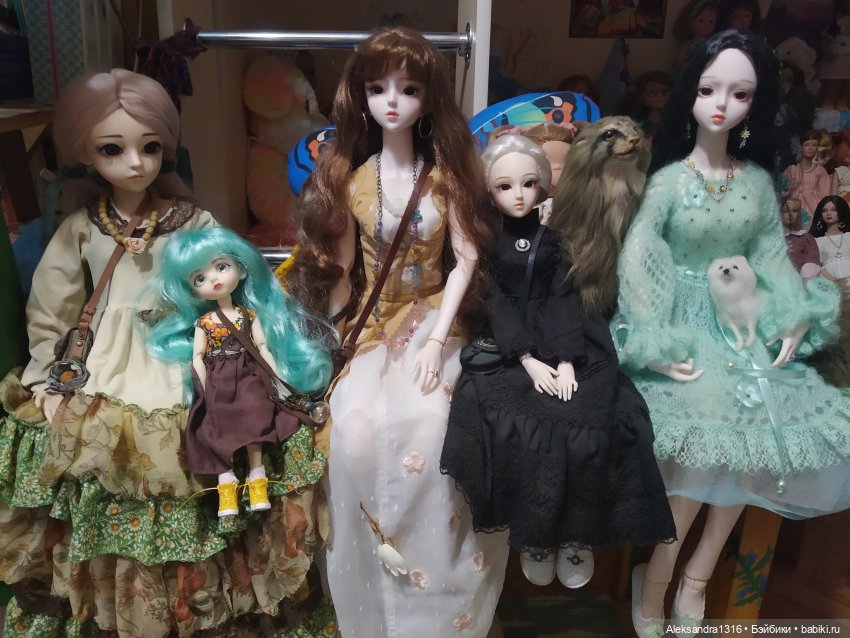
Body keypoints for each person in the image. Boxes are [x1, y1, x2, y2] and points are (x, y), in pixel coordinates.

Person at [0, 70, 333, 637]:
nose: (136, 163)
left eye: (150, 147)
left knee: (199, 451)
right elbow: (52, 309)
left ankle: (198, 600)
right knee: (106, 471)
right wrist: (45, 377)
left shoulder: (192, 222)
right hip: (106, 365)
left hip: (182, 350)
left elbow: (235, 284)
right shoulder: (83, 226)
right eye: (113, 149)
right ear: (85, 152)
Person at [614, 30, 850, 638]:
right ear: (690, 94)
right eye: (709, 89)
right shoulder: (668, 181)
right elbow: (641, 257)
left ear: (756, 102)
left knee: (756, 438)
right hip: (684, 325)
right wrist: (652, 336)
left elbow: (770, 256)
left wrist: (791, 311)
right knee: (709, 434)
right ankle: (658, 577)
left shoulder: (756, 183)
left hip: (741, 322)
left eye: (740, 93)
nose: (721, 104)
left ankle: (695, 579)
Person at [286, 27, 509, 637]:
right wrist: (336, 345)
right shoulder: (351, 181)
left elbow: (465, 260)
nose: (392, 102)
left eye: (408, 89)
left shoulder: (446, 178)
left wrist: (437, 339)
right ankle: (376, 598)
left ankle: (435, 602)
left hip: (437, 318)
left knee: (431, 427)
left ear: (428, 97)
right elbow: (341, 271)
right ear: (359, 96)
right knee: (353, 433)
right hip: (374, 320)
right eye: (378, 88)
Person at [440, 133, 675, 591]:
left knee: (596, 416)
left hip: (563, 335)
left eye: (528, 183)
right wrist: (527, 358)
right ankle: (537, 536)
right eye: (505, 186)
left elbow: (563, 297)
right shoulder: (486, 243)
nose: (518, 195)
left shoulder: (553, 242)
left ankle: (576, 535)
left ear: (543, 185)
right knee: (521, 424)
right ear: (489, 191)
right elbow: (495, 302)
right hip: (509, 343)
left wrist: (566, 359)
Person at [145, 226, 332, 516]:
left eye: (221, 267)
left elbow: (262, 347)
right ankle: (226, 484)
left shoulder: (248, 316)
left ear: (242, 270)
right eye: (199, 278)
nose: (214, 279)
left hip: (248, 377)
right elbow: (198, 357)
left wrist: (277, 379)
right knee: (218, 428)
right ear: (193, 290)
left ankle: (257, 477)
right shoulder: (205, 323)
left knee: (255, 421)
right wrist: (203, 388)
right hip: (218, 380)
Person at [784, 130, 834, 228]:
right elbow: (783, 193)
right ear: (800, 147)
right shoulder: (791, 170)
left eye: (814, 145)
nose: (810, 148)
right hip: (794, 208)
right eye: (806, 145)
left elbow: (825, 195)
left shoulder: (820, 171)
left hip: (814, 208)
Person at [810, 195, 850, 288]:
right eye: (824, 210)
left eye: (833, 210)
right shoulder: (817, 241)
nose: (828, 213)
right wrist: (833, 282)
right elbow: (816, 267)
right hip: (830, 283)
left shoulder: (848, 236)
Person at [781, 197, 821, 278]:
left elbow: (812, 259)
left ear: (799, 213)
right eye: (785, 211)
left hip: (800, 280)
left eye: (794, 211)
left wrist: (805, 279)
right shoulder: (776, 239)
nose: (790, 214)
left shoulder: (806, 238)